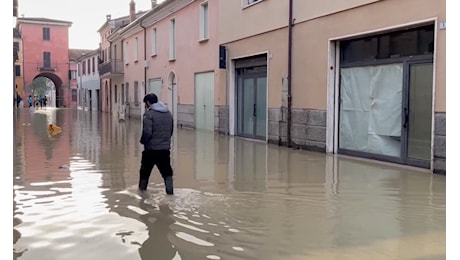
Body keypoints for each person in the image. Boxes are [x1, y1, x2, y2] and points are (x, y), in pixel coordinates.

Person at [139, 93, 174, 195]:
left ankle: (141, 194)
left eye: (145, 104)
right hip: (164, 150)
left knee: (144, 172)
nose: (146, 106)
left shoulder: (148, 114)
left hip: (150, 150)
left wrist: (143, 141)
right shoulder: (168, 113)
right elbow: (171, 131)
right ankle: (170, 193)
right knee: (167, 172)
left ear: (148, 103)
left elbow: (147, 132)